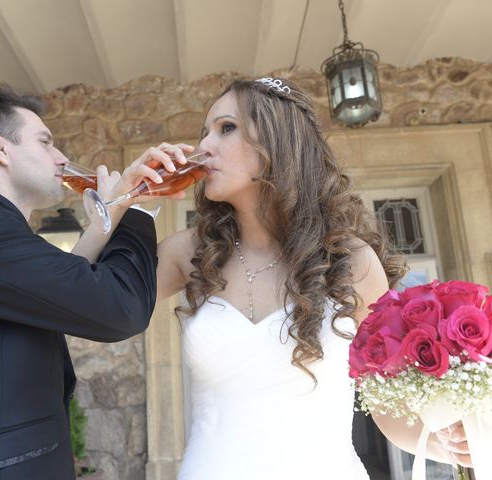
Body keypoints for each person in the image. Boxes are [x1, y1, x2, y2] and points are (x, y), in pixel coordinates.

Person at [154, 78, 472, 478]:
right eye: (205, 132)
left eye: (226, 128)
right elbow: (79, 303)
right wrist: (125, 201)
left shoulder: (352, 261)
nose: (203, 147)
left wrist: (441, 438)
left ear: (277, 141)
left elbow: (388, 409)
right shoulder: (188, 252)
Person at [0, 85, 186, 479]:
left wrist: (114, 211)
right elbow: (119, 308)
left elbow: (59, 290)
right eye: (45, 142)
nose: (61, 157)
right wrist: (136, 207)